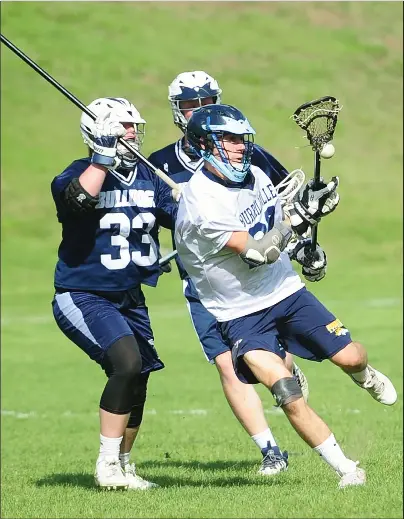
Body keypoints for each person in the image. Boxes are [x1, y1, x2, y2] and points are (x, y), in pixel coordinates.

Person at [174, 103, 397, 488]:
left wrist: (305, 246)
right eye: (229, 139)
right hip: (239, 314)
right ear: (205, 145)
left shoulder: (257, 175)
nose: (241, 147)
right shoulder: (200, 203)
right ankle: (347, 469)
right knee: (286, 391)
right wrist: (299, 217)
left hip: (287, 293)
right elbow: (260, 251)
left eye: (243, 138)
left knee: (351, 355)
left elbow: (276, 231)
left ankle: (365, 374)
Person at [148, 70, 310, 476]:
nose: (198, 111)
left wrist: (306, 241)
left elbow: (286, 197)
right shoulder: (160, 165)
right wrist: (179, 206)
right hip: (208, 282)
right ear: (177, 111)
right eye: (190, 105)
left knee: (271, 363)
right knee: (225, 363)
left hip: (261, 276)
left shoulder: (243, 150)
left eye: (206, 103)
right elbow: (150, 219)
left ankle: (283, 368)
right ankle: (271, 451)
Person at [51, 97, 174, 490]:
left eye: (136, 125)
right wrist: (101, 160)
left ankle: (123, 464)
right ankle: (106, 466)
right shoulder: (76, 173)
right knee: (125, 363)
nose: (133, 133)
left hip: (130, 296)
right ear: (99, 130)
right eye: (124, 126)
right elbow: (80, 200)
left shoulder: (149, 176)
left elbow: (184, 221)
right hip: (83, 294)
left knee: (139, 376)